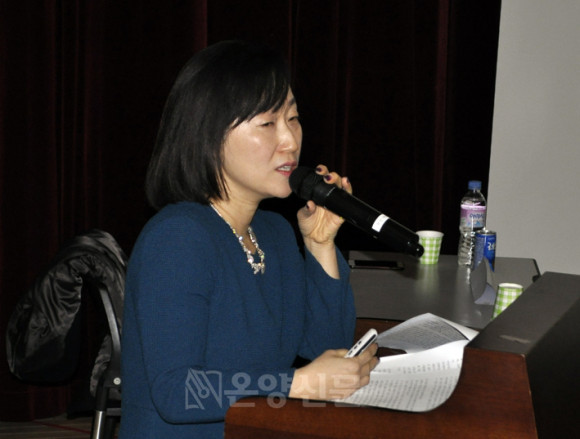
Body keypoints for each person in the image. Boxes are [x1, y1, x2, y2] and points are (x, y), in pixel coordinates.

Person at [118, 40, 378, 439]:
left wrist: (320, 245)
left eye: (293, 118)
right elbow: (176, 391)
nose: (290, 140)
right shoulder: (178, 238)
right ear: (209, 134)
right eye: (268, 123)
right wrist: (298, 383)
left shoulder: (273, 232)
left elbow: (324, 346)